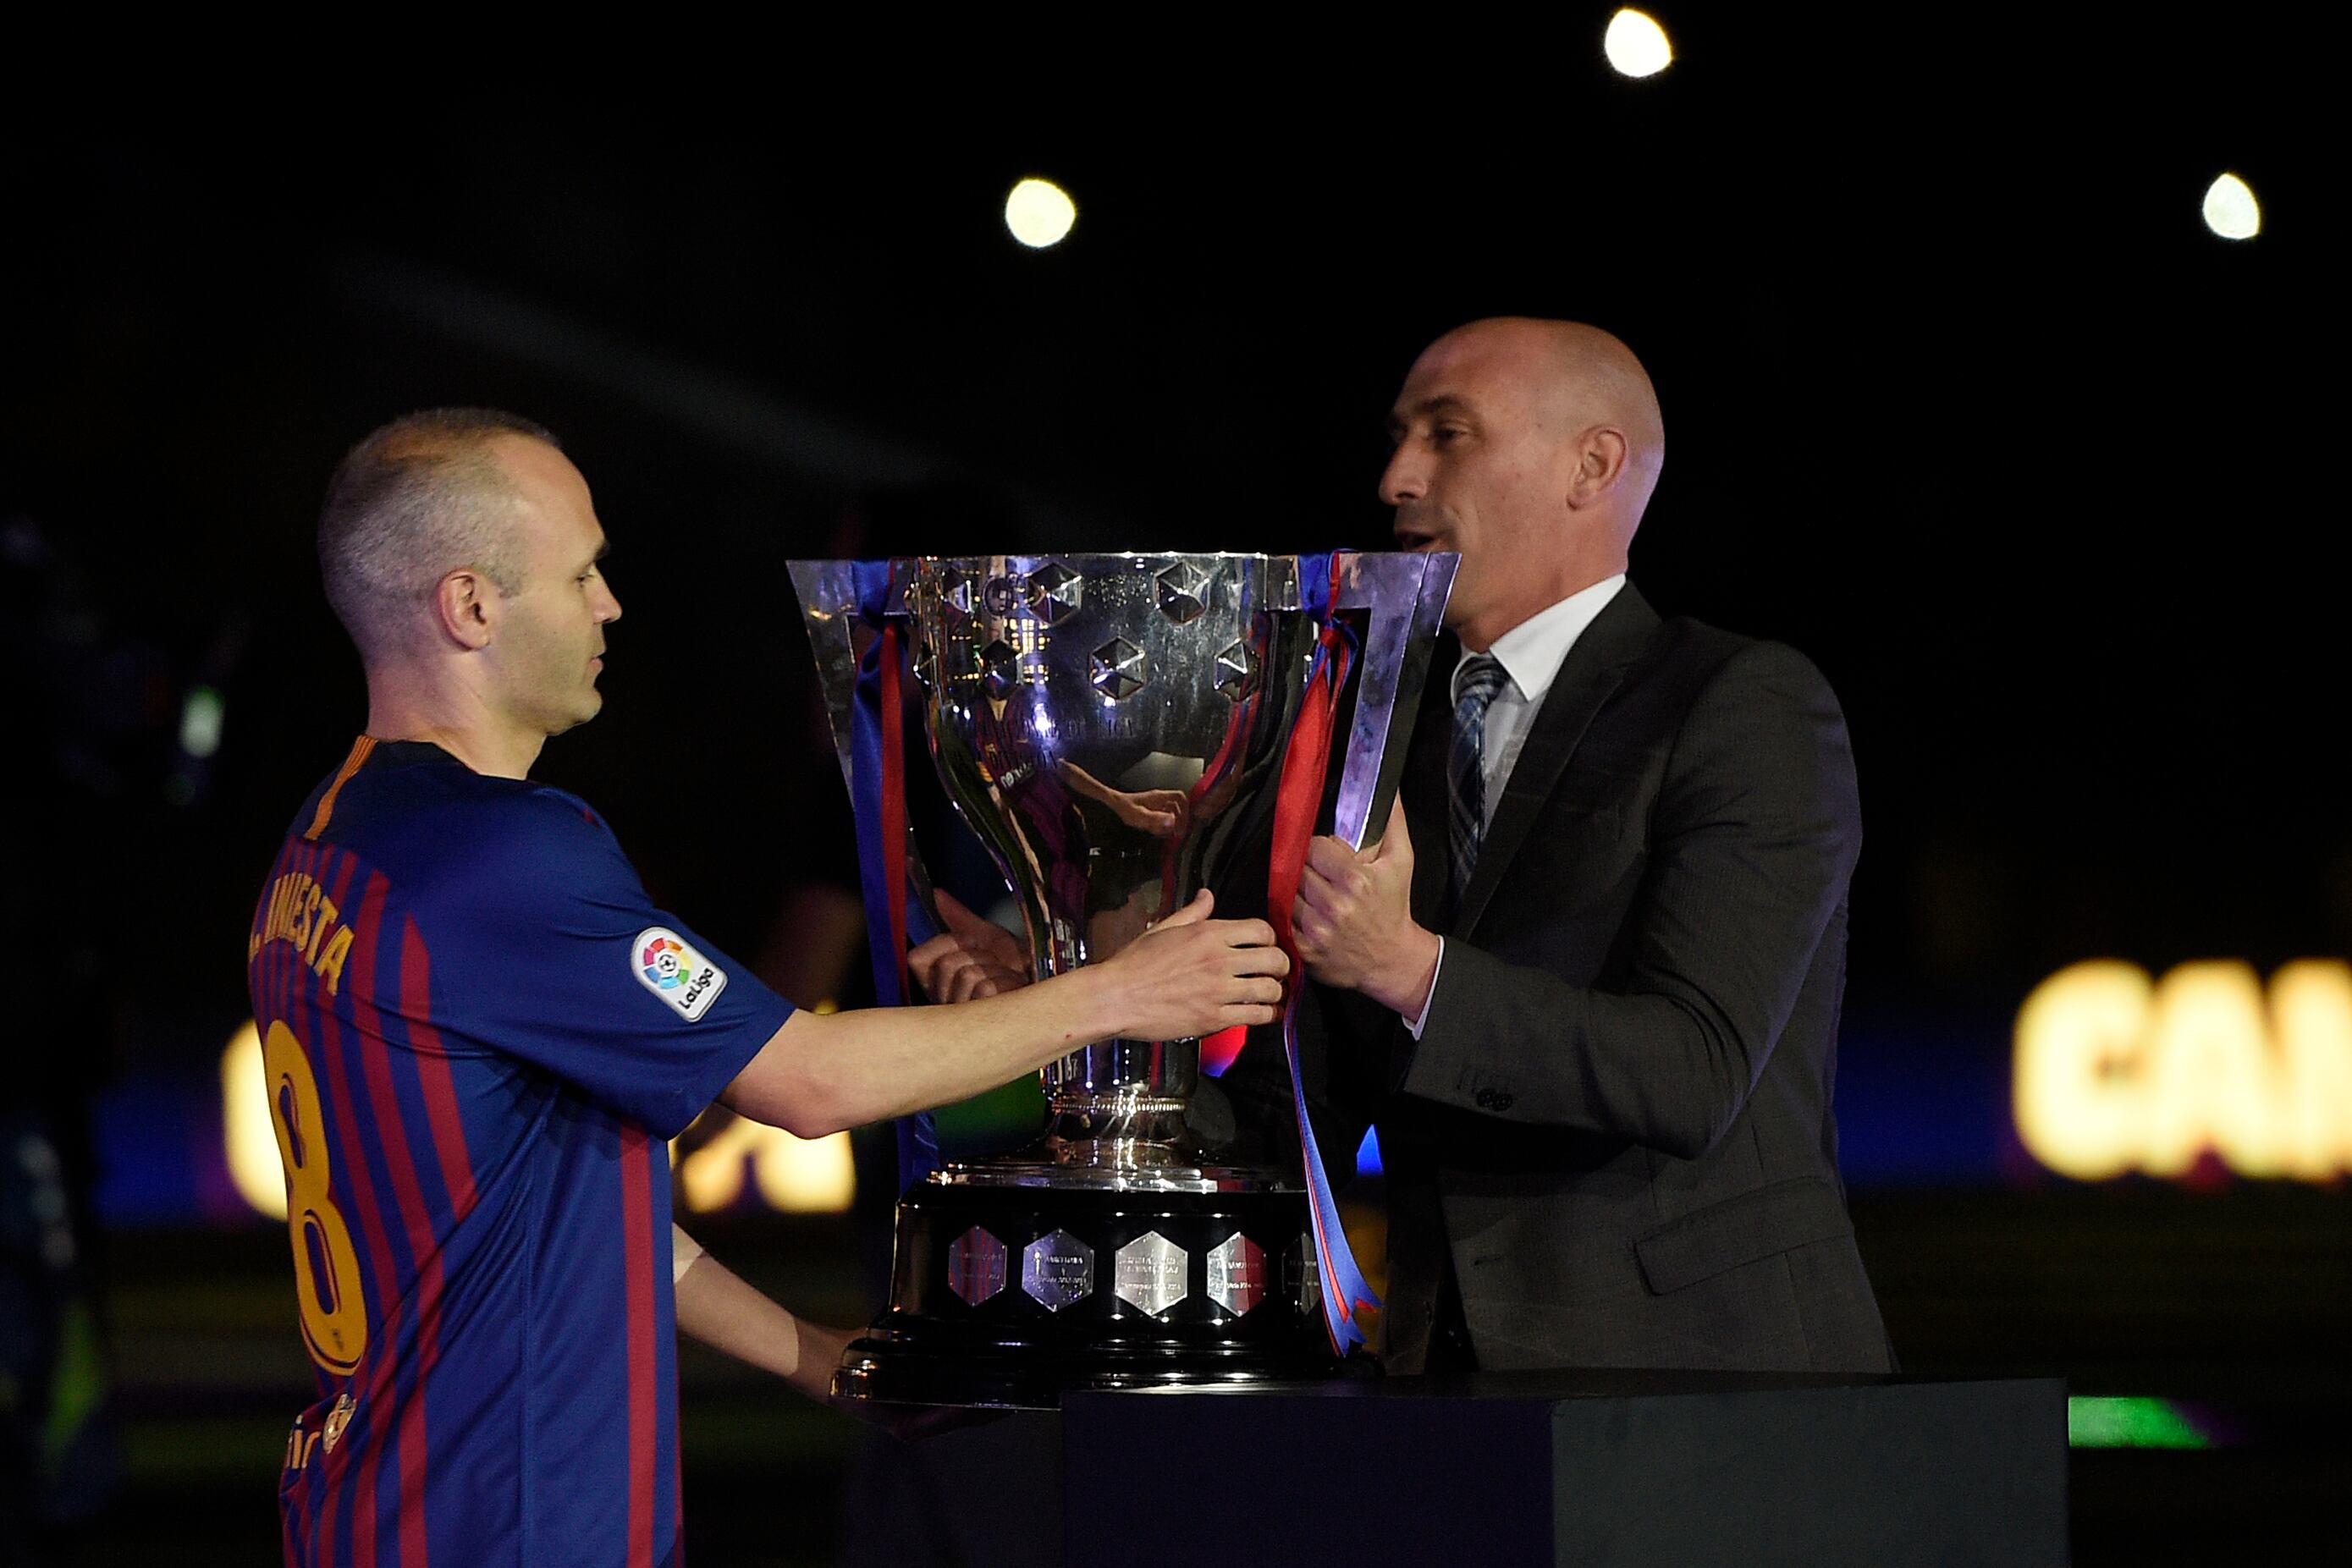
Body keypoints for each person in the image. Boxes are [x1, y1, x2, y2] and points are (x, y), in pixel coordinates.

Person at [251, 408, 1286, 1567]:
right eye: (582, 572)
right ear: (472, 605)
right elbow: (802, 1080)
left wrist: (812, 1356)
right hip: (512, 1518)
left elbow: (569, 1208)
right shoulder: (500, 854)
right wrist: (1120, 993)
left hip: (372, 1499)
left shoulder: (333, 840)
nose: (610, 605)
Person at [1244, 316, 1894, 1374]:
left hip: (1715, 1398)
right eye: (1402, 434)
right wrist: (1088, 998)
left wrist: (1410, 970)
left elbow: (1691, 1069)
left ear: (1589, 465)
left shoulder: (1741, 704)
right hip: (1443, 1393)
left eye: (1447, 434)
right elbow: (1304, 1101)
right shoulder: (1372, 730)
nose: (1396, 476)